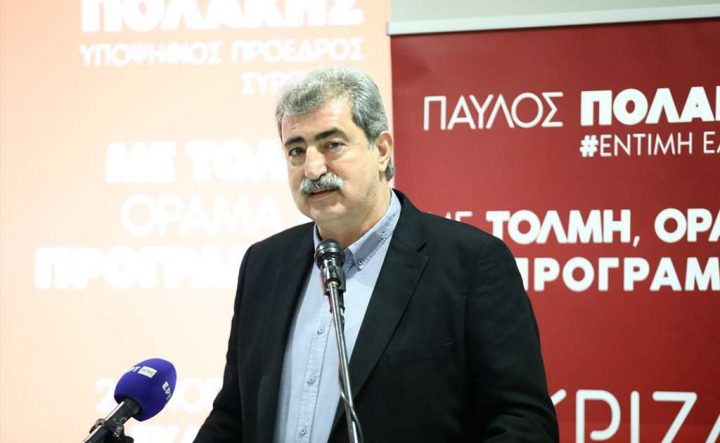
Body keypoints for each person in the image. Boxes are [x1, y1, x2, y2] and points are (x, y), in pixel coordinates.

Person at [194, 66, 558, 443]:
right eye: (296, 150)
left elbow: (523, 422)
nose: (313, 169)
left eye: (332, 144)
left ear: (381, 149)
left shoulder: (471, 263)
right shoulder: (263, 265)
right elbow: (233, 414)